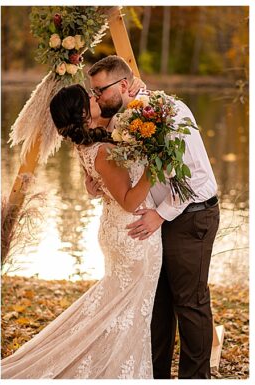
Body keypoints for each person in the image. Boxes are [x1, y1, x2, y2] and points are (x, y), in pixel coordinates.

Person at [3, 84, 161, 378]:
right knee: (127, 314)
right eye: (89, 96)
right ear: (84, 114)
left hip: (123, 232)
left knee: (119, 313)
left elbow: (102, 186)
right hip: (134, 234)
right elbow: (128, 200)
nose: (94, 95)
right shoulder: (100, 150)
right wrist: (156, 169)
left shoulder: (88, 143)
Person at [86, 55, 220, 379]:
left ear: (122, 85)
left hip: (191, 215)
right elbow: (119, 176)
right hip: (157, 222)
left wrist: (159, 216)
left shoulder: (168, 114)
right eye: (92, 91)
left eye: (100, 90)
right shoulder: (120, 124)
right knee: (157, 304)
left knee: (189, 303)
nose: (96, 98)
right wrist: (96, 182)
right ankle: (155, 375)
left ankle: (195, 377)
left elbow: (191, 181)